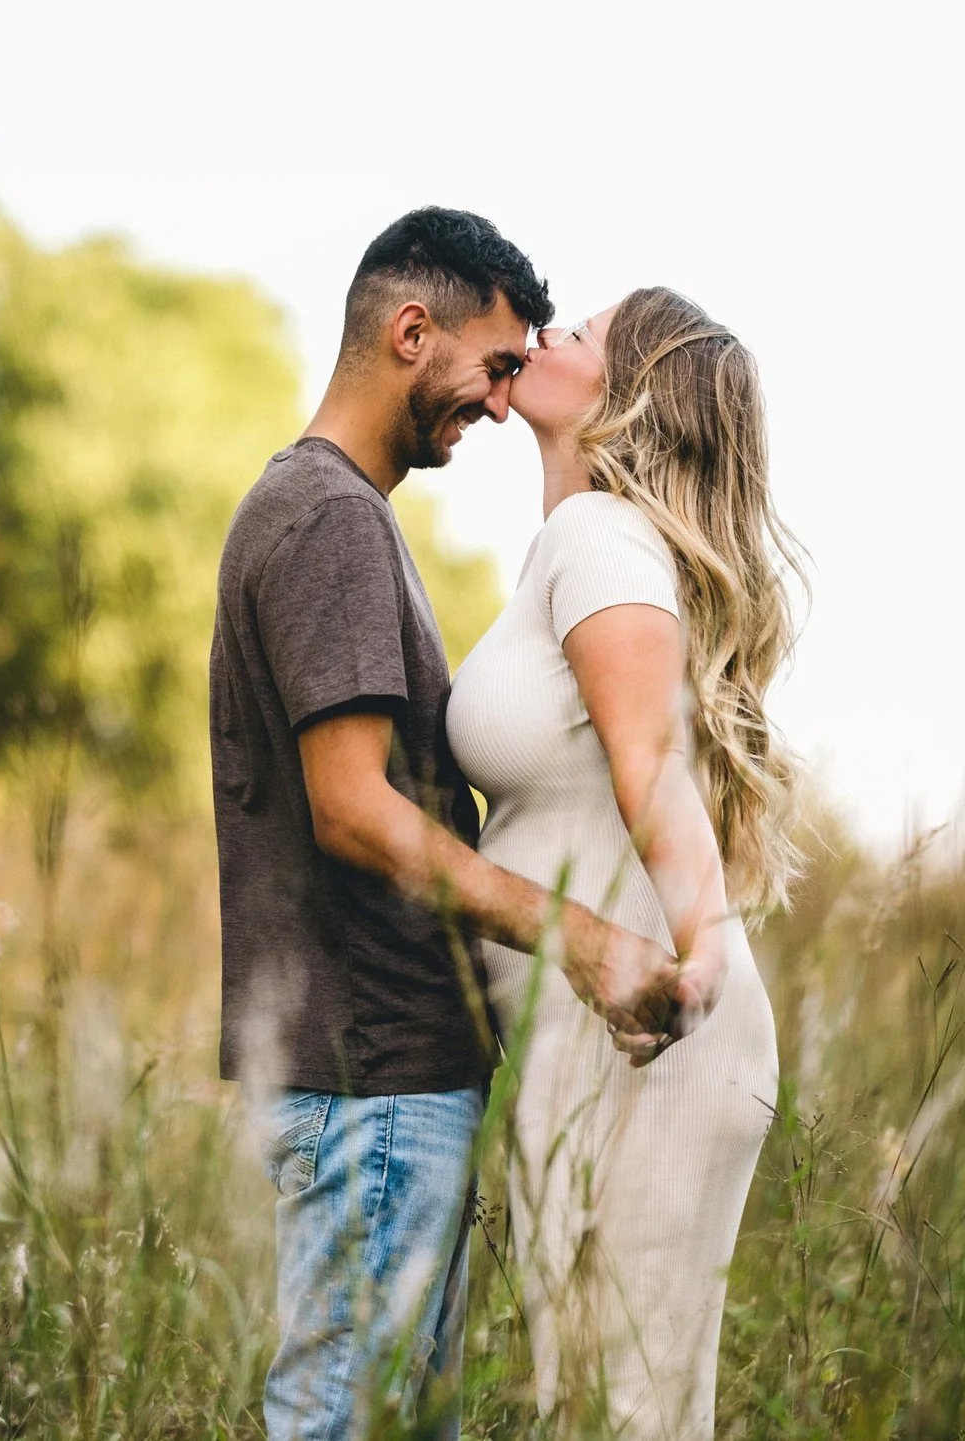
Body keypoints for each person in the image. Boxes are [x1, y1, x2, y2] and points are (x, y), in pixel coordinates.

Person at [209, 209, 684, 1440]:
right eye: (493, 366)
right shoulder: (328, 521)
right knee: (337, 1419)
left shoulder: (334, 512)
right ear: (411, 332)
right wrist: (577, 937)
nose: (494, 402)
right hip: (373, 1072)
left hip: (384, 1075)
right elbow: (354, 809)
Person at [446, 287, 805, 1439]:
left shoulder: (598, 539)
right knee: (594, 1402)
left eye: (583, 332)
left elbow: (649, 764)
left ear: (627, 396)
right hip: (602, 1030)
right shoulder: (576, 548)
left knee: (626, 1408)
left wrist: (698, 955)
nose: (548, 331)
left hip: (656, 1034)